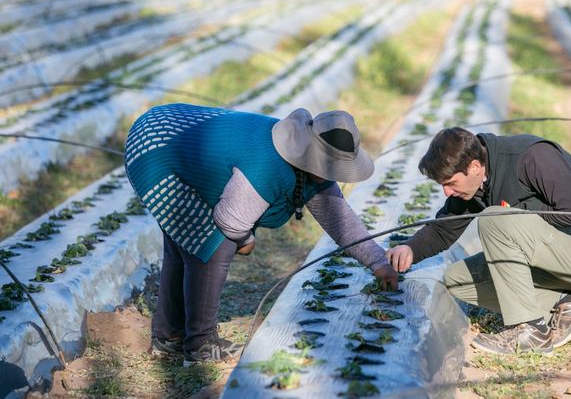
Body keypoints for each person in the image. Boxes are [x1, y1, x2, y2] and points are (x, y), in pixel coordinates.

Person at [125, 103, 398, 366]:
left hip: (165, 139)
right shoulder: (270, 165)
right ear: (311, 152)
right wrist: (246, 240)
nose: (331, 175)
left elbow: (341, 221)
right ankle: (200, 345)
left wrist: (378, 262)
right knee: (212, 244)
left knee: (184, 246)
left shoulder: (309, 165)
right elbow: (230, 221)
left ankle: (169, 337)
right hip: (156, 149)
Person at [386, 127, 571, 355]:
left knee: (495, 218)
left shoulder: (532, 157)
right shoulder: (474, 185)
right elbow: (443, 230)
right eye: (442, 185)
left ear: (475, 166)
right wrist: (410, 248)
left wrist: (517, 214)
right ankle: (569, 303)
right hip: (561, 254)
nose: (447, 192)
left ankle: (530, 330)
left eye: (450, 183)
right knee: (458, 280)